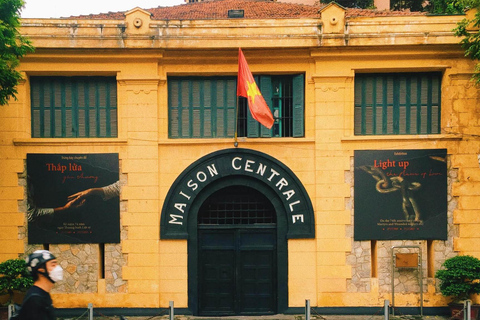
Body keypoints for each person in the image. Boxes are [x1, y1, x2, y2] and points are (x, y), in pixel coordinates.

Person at [19, 250, 63, 320]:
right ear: (41, 270)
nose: (58, 268)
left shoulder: (43, 294)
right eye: (53, 265)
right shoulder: (35, 299)